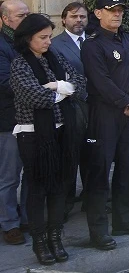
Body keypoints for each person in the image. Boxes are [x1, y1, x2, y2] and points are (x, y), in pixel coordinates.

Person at [10, 14, 85, 265]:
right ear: (27, 38)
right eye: (42, 38)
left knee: (60, 186)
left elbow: (80, 83)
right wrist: (61, 88)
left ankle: (56, 237)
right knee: (38, 188)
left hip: (62, 130)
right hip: (33, 134)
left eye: (49, 37)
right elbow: (36, 98)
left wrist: (56, 86)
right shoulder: (20, 64)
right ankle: (40, 242)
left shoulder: (56, 57)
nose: (47, 42)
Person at [83, 0, 129, 251]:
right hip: (105, 115)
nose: (117, 14)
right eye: (111, 10)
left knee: (127, 169)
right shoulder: (92, 45)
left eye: (120, 10)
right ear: (98, 13)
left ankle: (124, 220)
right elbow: (101, 82)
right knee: (99, 174)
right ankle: (98, 231)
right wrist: (128, 102)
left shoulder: (128, 39)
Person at [48, 2, 89, 220]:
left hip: (95, 107)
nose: (79, 20)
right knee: (69, 157)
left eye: (83, 16)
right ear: (64, 19)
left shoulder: (93, 40)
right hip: (70, 107)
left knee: (91, 155)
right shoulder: (54, 45)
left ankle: (90, 200)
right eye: (74, 17)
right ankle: (64, 204)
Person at [0, 0, 29, 246]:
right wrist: (39, 89)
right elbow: (5, 83)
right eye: (21, 15)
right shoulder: (2, 46)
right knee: (10, 177)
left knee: (33, 172)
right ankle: (9, 223)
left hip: (34, 119)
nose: (26, 18)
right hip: (10, 121)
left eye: (28, 14)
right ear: (6, 19)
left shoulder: (30, 41)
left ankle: (28, 217)